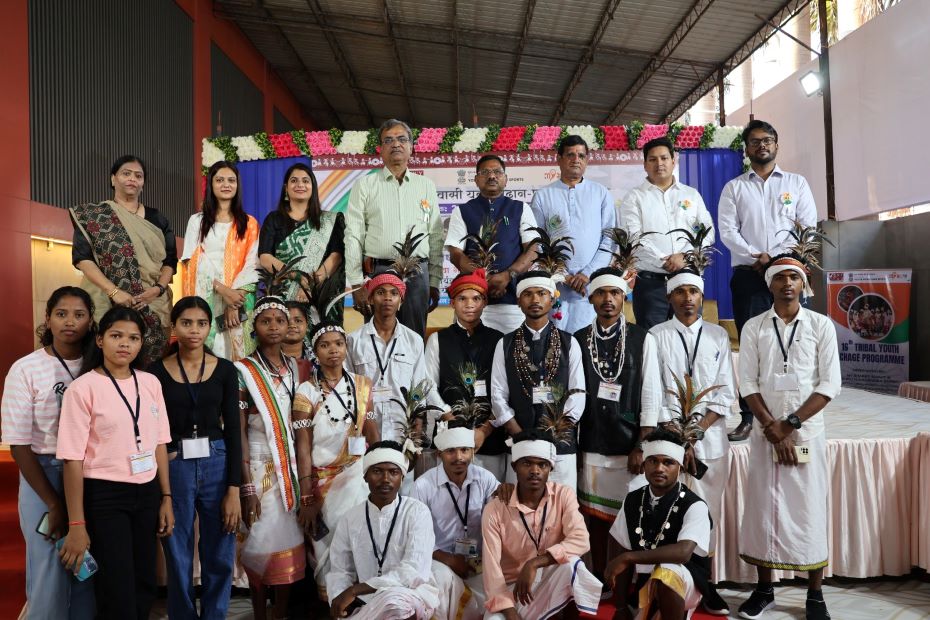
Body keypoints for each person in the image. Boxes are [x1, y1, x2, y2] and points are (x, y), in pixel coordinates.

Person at [736, 244, 841, 620]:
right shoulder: (754, 327)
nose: (787, 283)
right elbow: (747, 383)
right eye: (779, 277)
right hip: (766, 436)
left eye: (793, 276)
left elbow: (830, 384)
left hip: (805, 436)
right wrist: (771, 427)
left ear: (804, 284)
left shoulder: (821, 326)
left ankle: (815, 594)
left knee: (809, 508)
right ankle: (764, 590)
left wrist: (790, 425)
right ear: (769, 285)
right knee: (763, 508)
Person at [56, 307, 174, 620]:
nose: (125, 344)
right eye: (116, 336)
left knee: (145, 582)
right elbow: (72, 459)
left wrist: (166, 496)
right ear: (100, 340)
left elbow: (160, 443)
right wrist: (77, 523)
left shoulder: (150, 383)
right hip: (105, 495)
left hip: (147, 491)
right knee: (116, 587)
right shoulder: (83, 388)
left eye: (133, 338)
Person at [717, 120, 818, 442]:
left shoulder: (796, 183)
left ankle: (794, 414)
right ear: (746, 149)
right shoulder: (734, 188)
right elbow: (727, 231)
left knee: (792, 342)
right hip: (749, 275)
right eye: (755, 141)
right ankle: (749, 417)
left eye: (768, 140)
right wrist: (757, 257)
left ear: (776, 145)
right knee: (752, 345)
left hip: (787, 274)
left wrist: (774, 258)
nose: (762, 145)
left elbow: (807, 227)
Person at [1, 287, 97, 619]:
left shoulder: (97, 366)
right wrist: (54, 503)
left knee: (86, 567)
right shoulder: (26, 369)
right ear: (48, 318)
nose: (70, 322)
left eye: (79, 315)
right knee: (48, 569)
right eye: (61, 314)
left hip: (89, 472)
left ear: (91, 321)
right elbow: (18, 445)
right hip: (43, 473)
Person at [148, 296, 243, 619]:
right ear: (173, 326)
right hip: (175, 462)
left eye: (202, 323)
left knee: (220, 547)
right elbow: (153, 428)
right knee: (177, 549)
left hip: (217, 459)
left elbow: (234, 429)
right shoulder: (155, 372)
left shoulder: (225, 370)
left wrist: (234, 488)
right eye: (186, 323)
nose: (194, 330)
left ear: (209, 327)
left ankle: (215, 614)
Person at [650, 268, 735, 615]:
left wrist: (696, 432)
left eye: (694, 292)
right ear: (669, 297)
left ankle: (706, 584)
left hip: (709, 443)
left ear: (702, 297)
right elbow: (653, 390)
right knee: (669, 513)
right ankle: (666, 582)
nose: (688, 299)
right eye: (680, 292)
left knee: (707, 515)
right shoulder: (656, 335)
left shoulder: (718, 335)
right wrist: (677, 435)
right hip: (668, 443)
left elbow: (726, 391)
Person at [573, 266, 662, 579]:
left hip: (629, 450)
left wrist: (642, 445)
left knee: (632, 521)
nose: (608, 299)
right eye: (601, 293)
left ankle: (631, 584)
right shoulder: (579, 340)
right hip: (592, 445)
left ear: (624, 297)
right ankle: (600, 579)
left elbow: (651, 395)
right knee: (595, 521)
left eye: (614, 293)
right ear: (591, 298)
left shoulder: (642, 338)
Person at [291, 321, 379, 602]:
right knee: (325, 551)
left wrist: (382, 469)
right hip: (322, 485)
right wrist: (307, 496)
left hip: (358, 479)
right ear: (315, 351)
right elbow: (303, 448)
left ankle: (362, 605)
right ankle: (331, 604)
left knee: (362, 542)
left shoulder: (362, 385)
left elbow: (373, 435)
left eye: (339, 344)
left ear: (346, 347)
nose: (333, 350)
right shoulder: (306, 392)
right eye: (325, 345)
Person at [235, 294, 308, 620]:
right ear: (256, 326)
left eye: (281, 321)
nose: (275, 327)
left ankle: (279, 613)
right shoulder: (243, 370)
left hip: (289, 468)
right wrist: (247, 486)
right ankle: (258, 613)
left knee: (288, 541)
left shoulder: (295, 368)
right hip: (258, 465)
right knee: (259, 541)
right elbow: (238, 430)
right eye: (266, 321)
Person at [481, 431, 601, 619]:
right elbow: (492, 571)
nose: (535, 471)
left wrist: (534, 563)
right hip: (512, 589)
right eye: (527, 463)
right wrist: (511, 613)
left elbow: (581, 540)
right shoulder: (495, 509)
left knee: (572, 565)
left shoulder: (563, 495)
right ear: (514, 466)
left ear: (550, 468)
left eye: (542, 464)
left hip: (550, 580)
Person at [70, 155, 176, 365]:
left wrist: (158, 289)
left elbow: (170, 261)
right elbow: (83, 259)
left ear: (143, 183)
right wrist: (114, 292)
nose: (132, 179)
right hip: (106, 301)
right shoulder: (95, 216)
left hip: (153, 302)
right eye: (126, 174)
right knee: (105, 361)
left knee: (151, 367)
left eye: (138, 176)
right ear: (113, 179)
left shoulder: (158, 218)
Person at [344, 119, 443, 337]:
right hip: (379, 271)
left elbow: (435, 235)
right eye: (388, 140)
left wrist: (434, 280)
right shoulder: (365, 185)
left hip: (418, 273)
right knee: (378, 338)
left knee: (414, 338)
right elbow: (353, 235)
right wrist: (357, 283)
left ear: (411, 147)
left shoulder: (425, 186)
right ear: (380, 149)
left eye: (401, 139)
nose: (396, 144)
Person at [489, 271, 586, 490]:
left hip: (560, 447)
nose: (535, 300)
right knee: (519, 507)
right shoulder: (505, 344)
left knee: (561, 507)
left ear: (552, 299)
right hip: (519, 444)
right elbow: (498, 395)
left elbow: (578, 394)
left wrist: (555, 432)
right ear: (518, 301)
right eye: (528, 294)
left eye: (541, 293)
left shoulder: (569, 343)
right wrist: (519, 434)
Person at [605, 429, 713, 620]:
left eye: (668, 462)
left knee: (666, 573)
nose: (659, 468)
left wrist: (629, 558)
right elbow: (623, 549)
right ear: (644, 464)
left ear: (680, 467)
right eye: (653, 461)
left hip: (686, 581)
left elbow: (683, 553)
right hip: (646, 584)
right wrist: (621, 607)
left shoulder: (694, 504)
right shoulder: (633, 499)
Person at [326, 441, 440, 619]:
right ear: (365, 476)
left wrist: (355, 590)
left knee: (396, 604)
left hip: (409, 595)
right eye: (377, 471)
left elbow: (412, 571)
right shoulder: (350, 518)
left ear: (402, 477)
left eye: (393, 472)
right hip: (364, 600)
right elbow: (340, 571)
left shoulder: (417, 512)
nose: (385, 479)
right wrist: (340, 598)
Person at [620, 138, 714, 330]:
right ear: (645, 164)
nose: (659, 163)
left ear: (673, 161)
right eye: (652, 159)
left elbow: (706, 232)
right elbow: (634, 237)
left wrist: (685, 256)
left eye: (664, 158)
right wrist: (666, 260)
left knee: (689, 337)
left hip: (687, 280)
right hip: (650, 285)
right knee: (652, 340)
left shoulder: (691, 195)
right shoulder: (634, 197)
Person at [346, 270, 445, 451]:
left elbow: (420, 384)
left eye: (394, 293)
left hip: (402, 432)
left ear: (401, 300)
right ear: (370, 298)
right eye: (380, 292)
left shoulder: (413, 340)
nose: (387, 298)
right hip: (364, 431)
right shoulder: (353, 340)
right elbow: (348, 389)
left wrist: (418, 429)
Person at [410, 420, 500, 620]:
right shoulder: (423, 486)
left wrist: (507, 493)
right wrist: (449, 559)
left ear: (472, 452)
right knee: (439, 585)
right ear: (439, 454)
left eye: (465, 450)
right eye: (451, 451)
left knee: (493, 602)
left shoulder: (485, 479)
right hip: (439, 561)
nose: (459, 457)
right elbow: (415, 536)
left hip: (479, 562)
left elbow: (500, 520)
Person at [424, 270, 507, 479]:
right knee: (448, 491)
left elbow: (504, 391)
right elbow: (428, 385)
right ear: (452, 303)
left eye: (476, 299)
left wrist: (485, 430)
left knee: (490, 493)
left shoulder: (499, 340)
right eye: (462, 299)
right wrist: (449, 418)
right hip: (449, 433)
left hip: (488, 438)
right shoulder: (438, 340)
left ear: (485, 302)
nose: (469, 304)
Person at [530, 135, 615, 333]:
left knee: (588, 339)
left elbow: (609, 239)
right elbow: (538, 242)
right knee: (555, 339)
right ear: (559, 159)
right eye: (570, 155)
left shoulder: (600, 193)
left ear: (587, 160)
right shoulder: (543, 196)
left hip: (591, 285)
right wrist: (562, 274)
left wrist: (587, 273)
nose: (576, 160)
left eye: (581, 155)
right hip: (555, 284)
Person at [445, 155, 539, 334]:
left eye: (497, 172)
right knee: (473, 349)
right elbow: (456, 254)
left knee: (514, 348)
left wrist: (508, 276)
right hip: (473, 301)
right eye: (485, 172)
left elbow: (532, 250)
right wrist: (482, 279)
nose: (492, 176)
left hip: (513, 301)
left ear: (506, 179)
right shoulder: (462, 211)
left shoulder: (520, 208)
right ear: (476, 179)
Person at [181, 161, 260, 361]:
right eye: (220, 180)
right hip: (207, 297)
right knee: (209, 357)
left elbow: (253, 264)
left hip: (239, 301)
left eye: (231, 180)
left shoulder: (249, 223)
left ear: (237, 185)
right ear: (211, 184)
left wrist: (234, 302)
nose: (226, 184)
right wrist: (222, 290)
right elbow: (192, 263)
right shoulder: (197, 221)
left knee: (239, 360)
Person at [259, 162, 345, 324]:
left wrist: (310, 285)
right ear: (286, 188)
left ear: (313, 187)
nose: (300, 184)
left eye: (305, 181)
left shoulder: (328, 221)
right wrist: (296, 276)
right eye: (294, 180)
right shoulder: (274, 219)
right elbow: (265, 257)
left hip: (318, 293)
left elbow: (336, 256)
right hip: (282, 292)